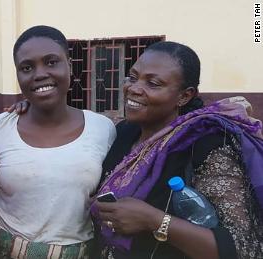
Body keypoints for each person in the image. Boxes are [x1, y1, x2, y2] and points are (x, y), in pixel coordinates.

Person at [92, 41, 263, 259]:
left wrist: (154, 220)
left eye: (153, 83)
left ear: (184, 96)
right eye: (132, 77)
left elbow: (239, 248)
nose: (134, 88)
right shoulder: (124, 132)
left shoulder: (208, 144)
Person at [0, 25, 116, 258]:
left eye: (51, 62)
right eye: (26, 67)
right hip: (2, 249)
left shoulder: (102, 129)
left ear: (69, 66)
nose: (39, 73)